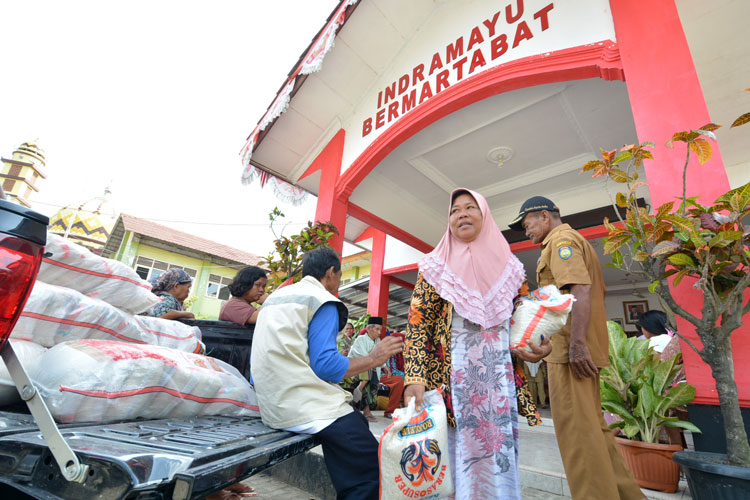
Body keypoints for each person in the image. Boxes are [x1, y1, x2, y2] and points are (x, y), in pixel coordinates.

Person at [404, 188, 550, 499]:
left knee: (497, 451)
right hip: (451, 382)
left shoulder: (511, 269)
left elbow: (524, 319)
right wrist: (414, 379)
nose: (462, 214)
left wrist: (538, 347)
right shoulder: (434, 267)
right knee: (456, 455)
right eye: (455, 211)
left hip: (498, 384)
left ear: (485, 216)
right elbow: (418, 324)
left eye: (471, 208)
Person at [510, 196, 645, 500]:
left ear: (544, 215)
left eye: (526, 223)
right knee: (594, 434)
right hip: (573, 350)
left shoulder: (562, 241)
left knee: (578, 440)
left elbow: (579, 289)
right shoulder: (569, 240)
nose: (525, 230)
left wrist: (576, 345)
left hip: (571, 356)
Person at [251, 246, 403, 499]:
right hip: (300, 405)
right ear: (331, 272)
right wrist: (374, 359)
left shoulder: (275, 298)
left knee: (354, 424)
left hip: (269, 404)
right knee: (369, 463)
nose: (339, 282)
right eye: (340, 275)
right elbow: (327, 367)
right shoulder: (322, 300)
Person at [348, 317, 404, 421]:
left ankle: (390, 411)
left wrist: (385, 366)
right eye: (377, 329)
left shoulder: (378, 341)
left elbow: (380, 357)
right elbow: (365, 357)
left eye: (380, 330)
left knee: (399, 381)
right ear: (369, 329)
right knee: (367, 372)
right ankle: (366, 411)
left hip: (376, 373)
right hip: (357, 372)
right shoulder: (360, 340)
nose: (379, 332)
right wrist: (379, 363)